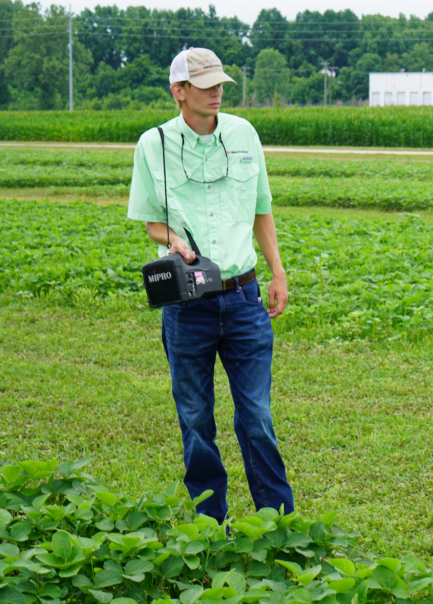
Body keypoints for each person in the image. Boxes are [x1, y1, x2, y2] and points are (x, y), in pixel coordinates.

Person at [126, 47, 294, 524]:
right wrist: (173, 238)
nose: (217, 91)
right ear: (179, 92)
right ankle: (209, 521)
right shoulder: (153, 144)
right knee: (197, 420)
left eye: (220, 83)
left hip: (243, 296)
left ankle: (277, 521)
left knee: (257, 417)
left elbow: (261, 207)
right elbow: (151, 223)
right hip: (188, 304)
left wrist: (277, 270)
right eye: (205, 86)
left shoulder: (244, 134)